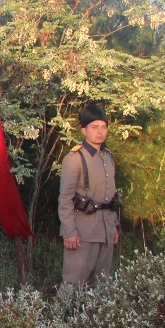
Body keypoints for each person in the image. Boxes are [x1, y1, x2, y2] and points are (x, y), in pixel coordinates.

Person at [58, 103, 121, 286]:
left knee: (102, 284)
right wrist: (69, 232)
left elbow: (111, 196)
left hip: (106, 231)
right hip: (82, 232)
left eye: (103, 127)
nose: (100, 132)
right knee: (73, 283)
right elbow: (65, 198)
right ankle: (65, 315)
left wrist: (114, 227)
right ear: (84, 130)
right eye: (94, 127)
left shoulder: (108, 157)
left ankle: (94, 316)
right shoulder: (74, 159)